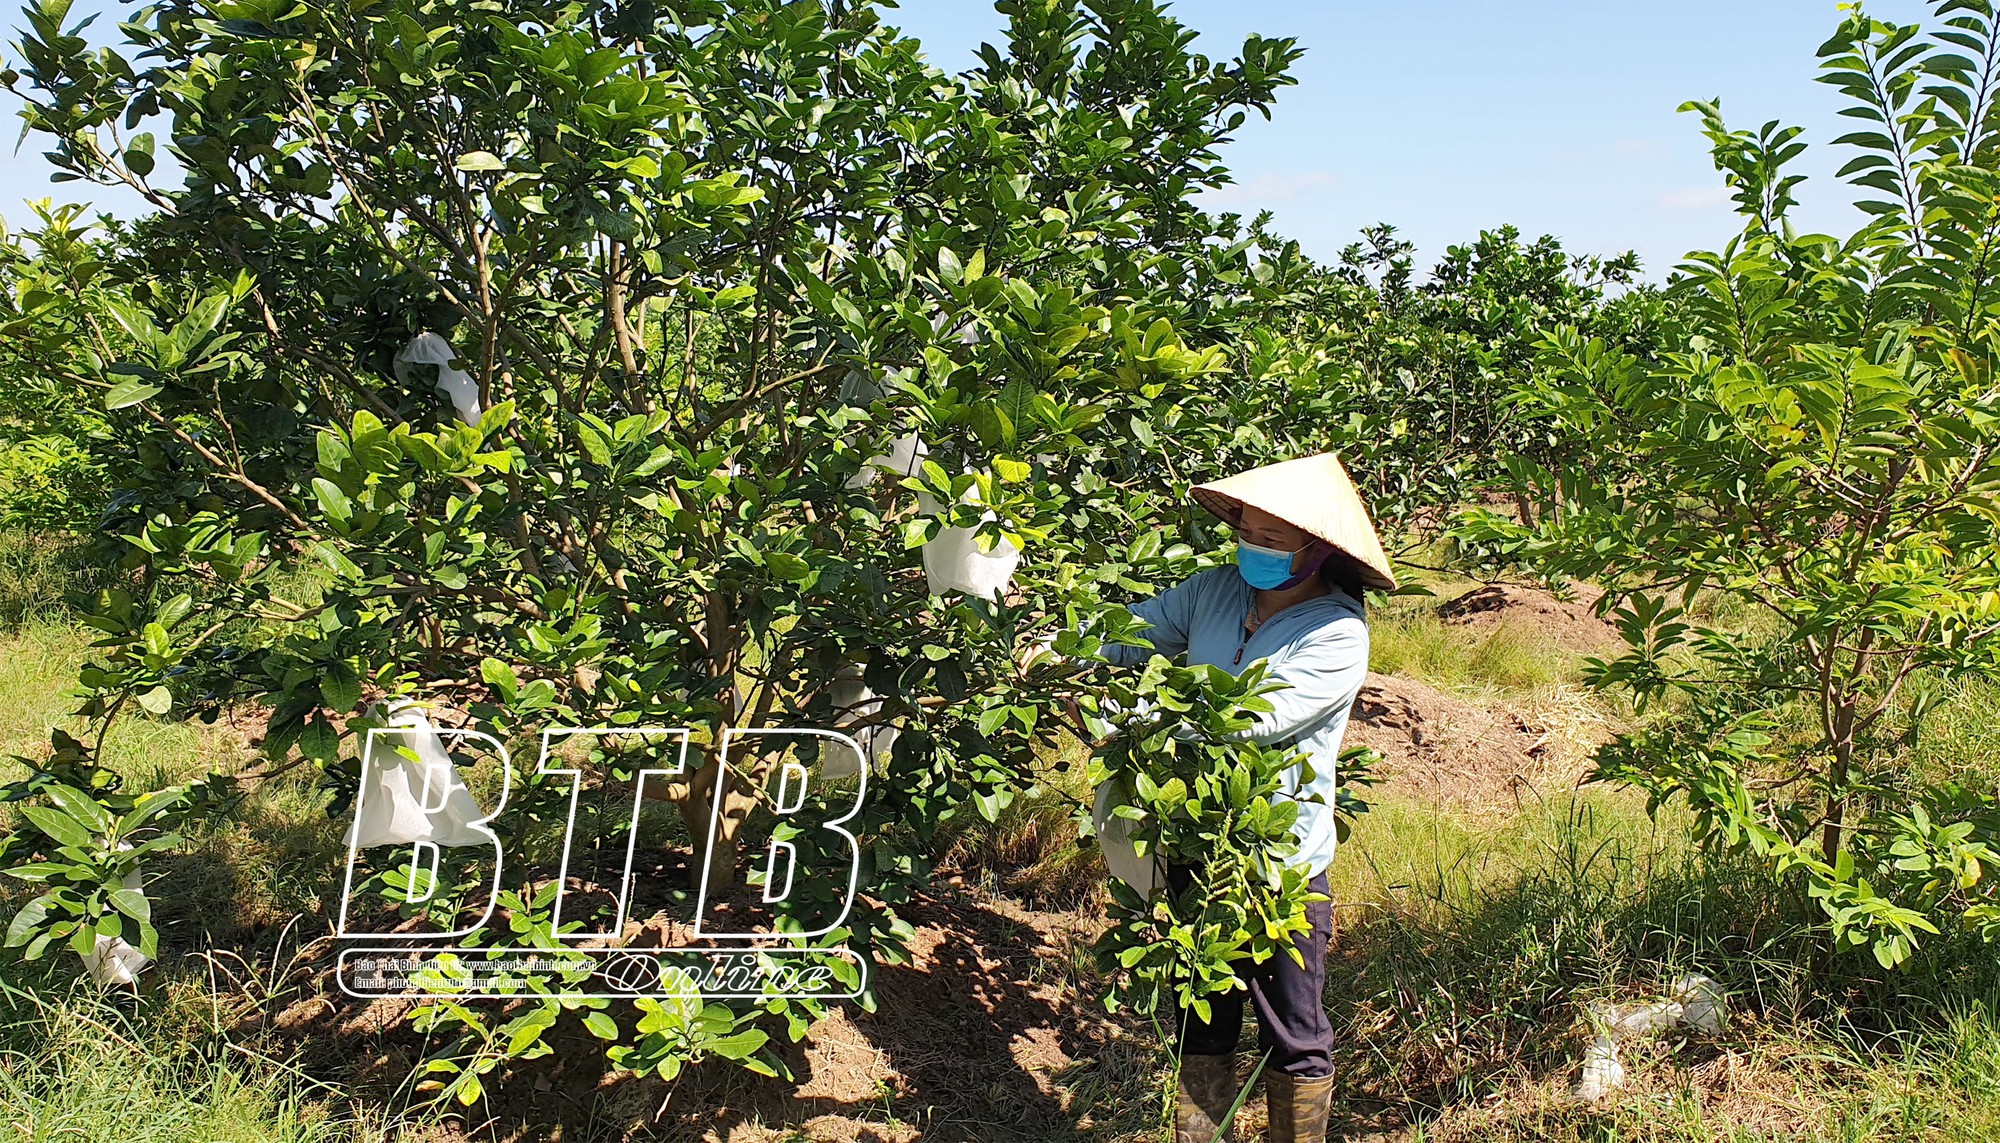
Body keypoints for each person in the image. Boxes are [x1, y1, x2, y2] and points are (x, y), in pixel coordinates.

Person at [1087, 452, 1395, 1143]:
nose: (1251, 549)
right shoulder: (1212, 591)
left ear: (1317, 552)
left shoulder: (1338, 634)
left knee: (1296, 1032)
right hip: (1199, 840)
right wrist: (1065, 648)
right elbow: (1132, 635)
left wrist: (1130, 721)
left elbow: (1247, 722)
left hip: (1280, 863)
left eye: (1271, 541)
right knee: (1203, 1016)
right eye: (1246, 532)